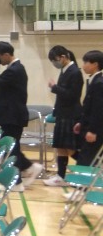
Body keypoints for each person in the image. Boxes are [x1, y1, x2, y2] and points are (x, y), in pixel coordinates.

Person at [0, 41, 43, 191]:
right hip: (11, 115)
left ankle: (16, 182)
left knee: (11, 149)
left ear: (6, 55)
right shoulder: (14, 68)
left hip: (12, 116)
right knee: (11, 148)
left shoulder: (15, 70)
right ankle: (29, 167)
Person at [43, 45, 83, 186]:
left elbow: (72, 95)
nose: (55, 63)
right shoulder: (65, 71)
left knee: (70, 149)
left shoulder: (75, 72)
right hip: (62, 114)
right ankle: (60, 176)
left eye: (55, 60)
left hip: (70, 115)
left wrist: (55, 87)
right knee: (60, 146)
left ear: (63, 57)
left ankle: (89, 168)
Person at [74, 50, 103, 167]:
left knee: (86, 161)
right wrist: (81, 122)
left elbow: (98, 110)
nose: (83, 66)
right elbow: (88, 107)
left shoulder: (99, 83)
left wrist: (92, 131)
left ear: (95, 64)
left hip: (94, 130)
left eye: (86, 62)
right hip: (87, 126)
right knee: (86, 159)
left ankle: (83, 179)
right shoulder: (93, 80)